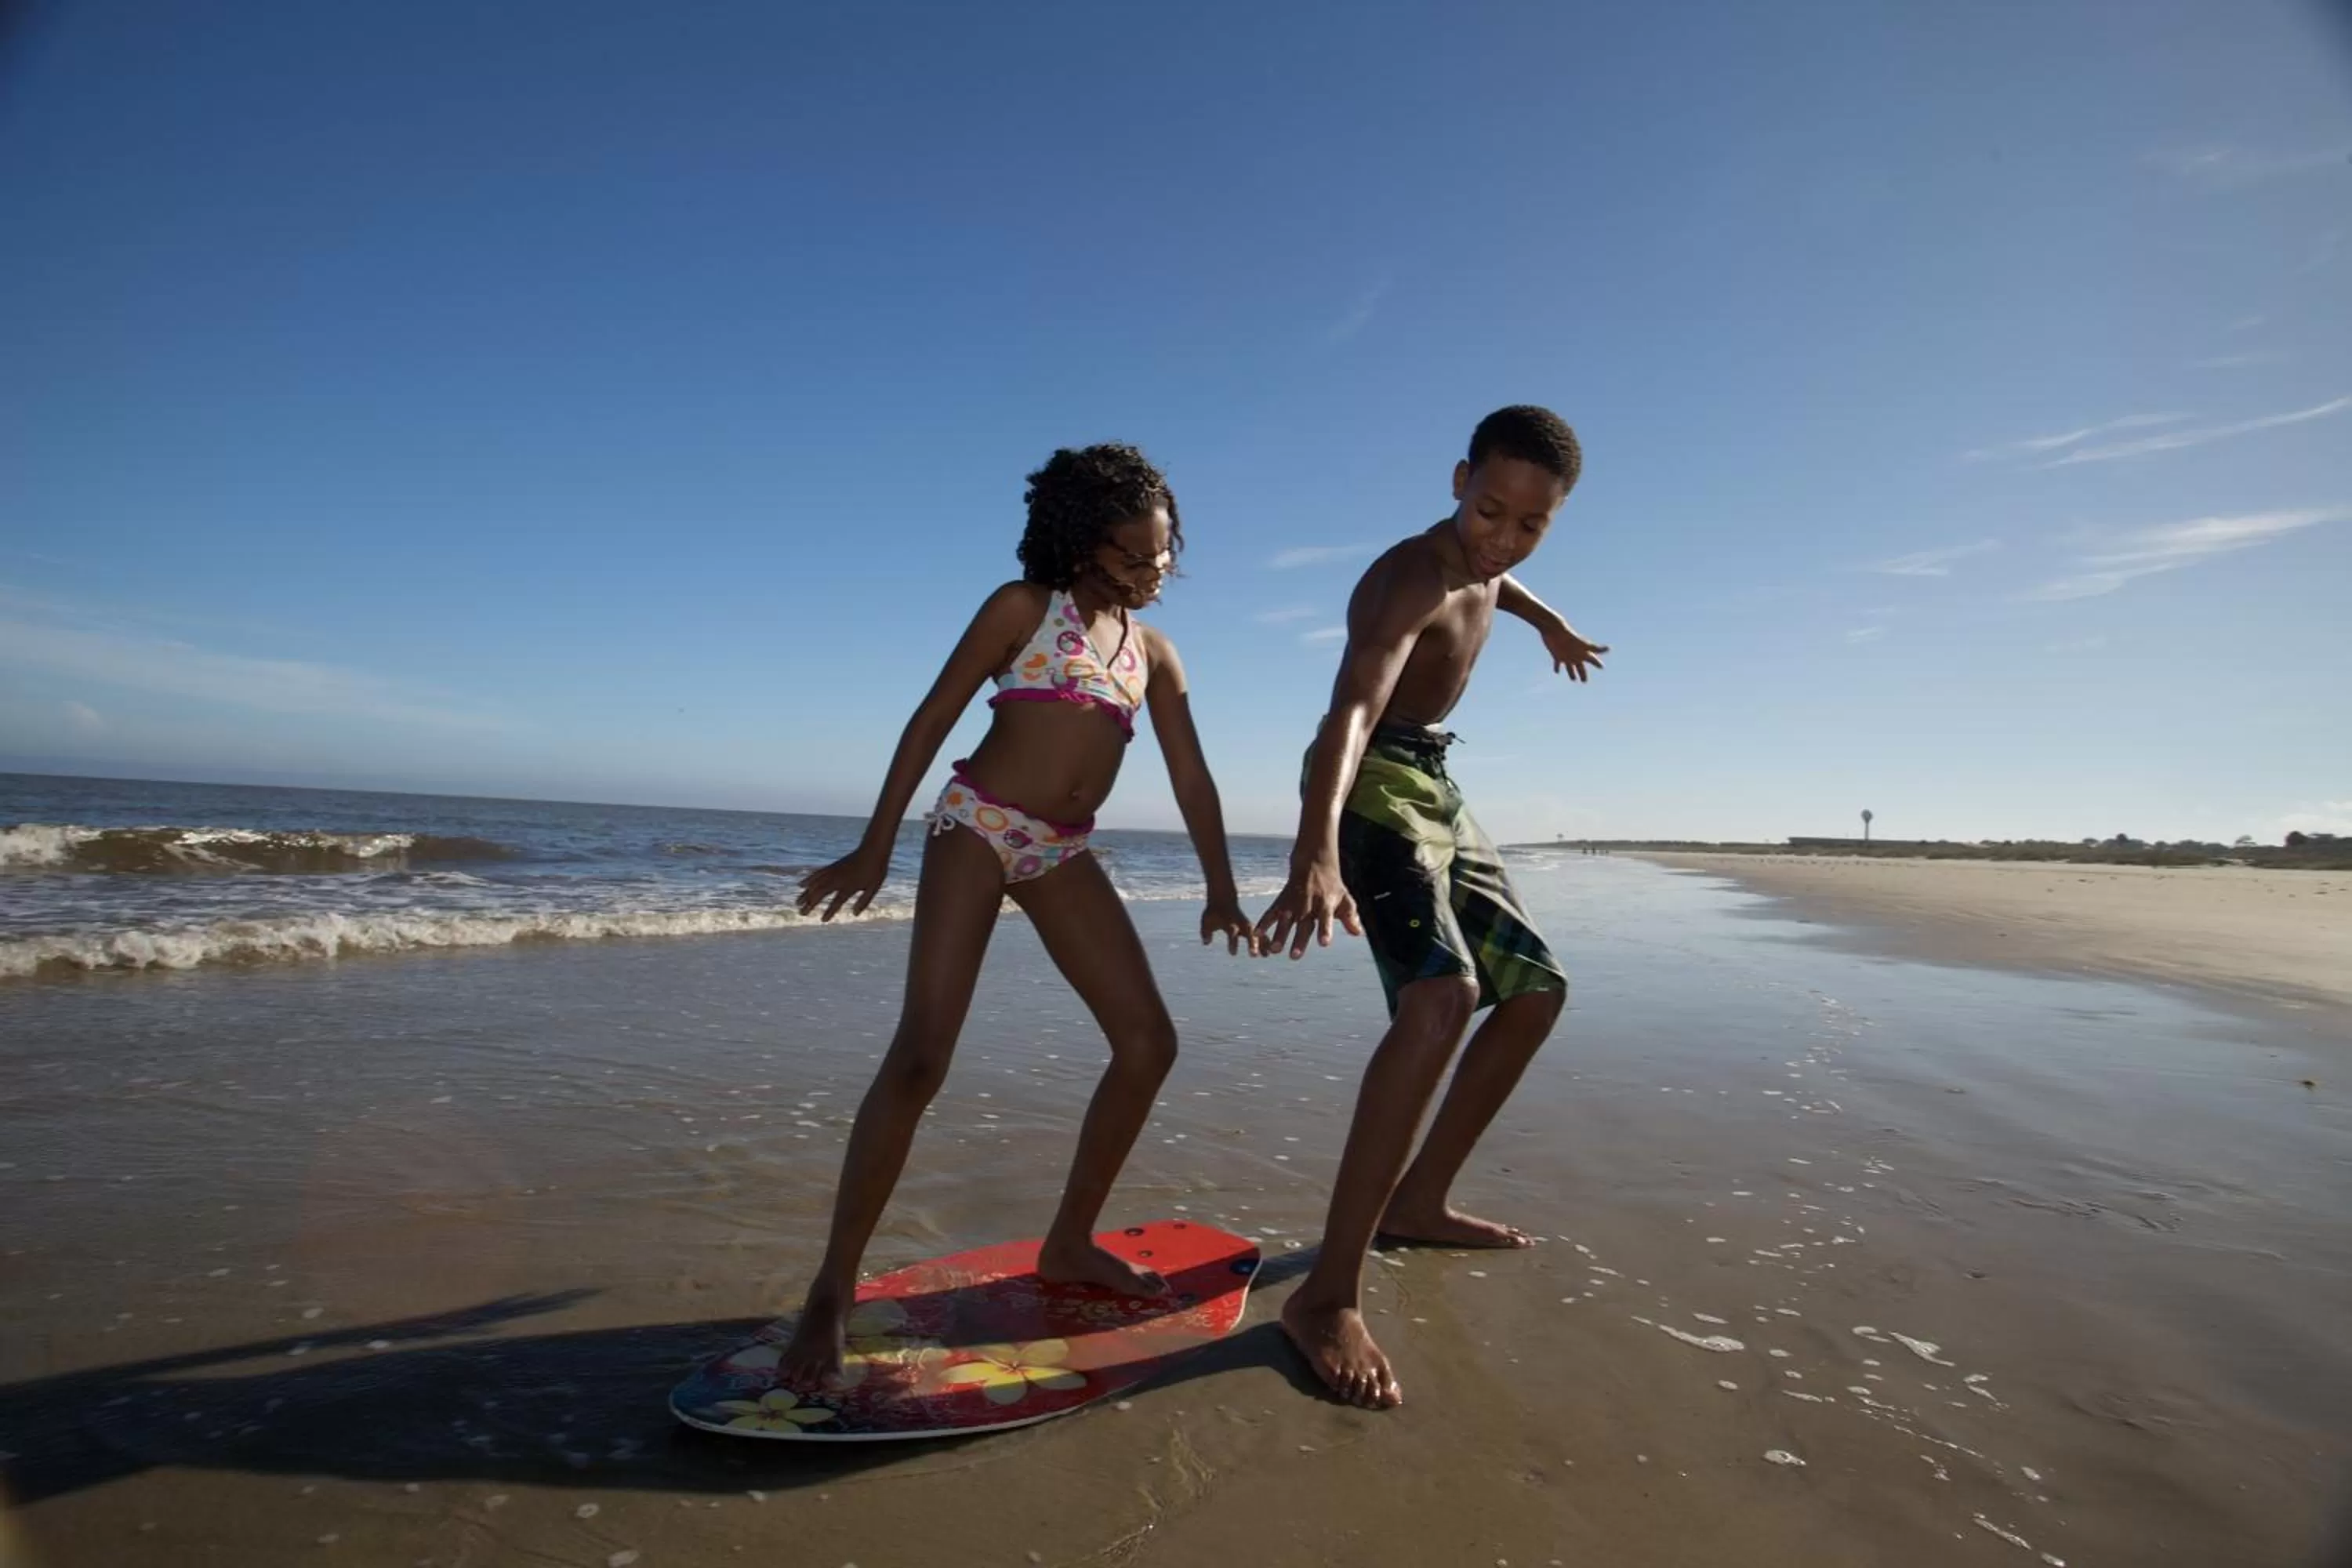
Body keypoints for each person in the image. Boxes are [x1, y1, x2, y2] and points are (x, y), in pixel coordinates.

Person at [782, 442, 1258, 1385]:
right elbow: (931, 718)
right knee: (923, 1052)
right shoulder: (1022, 610)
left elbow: (1191, 774)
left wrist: (1220, 885)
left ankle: (1070, 1240)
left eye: (1165, 555)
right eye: (1133, 555)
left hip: (1060, 849)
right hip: (978, 827)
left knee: (1148, 1041)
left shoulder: (1155, 654)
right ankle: (831, 1288)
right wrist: (876, 844)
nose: (1153, 572)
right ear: (1082, 544)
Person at [1254, 405, 1608, 1409]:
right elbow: (1352, 709)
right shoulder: (1412, 573)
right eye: (1490, 510)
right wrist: (1314, 849)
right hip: (1369, 783)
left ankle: (1419, 1198)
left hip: (1437, 787)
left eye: (1531, 524)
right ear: (1458, 480)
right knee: (1441, 998)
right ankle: (1324, 1296)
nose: (1503, 537)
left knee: (1535, 991)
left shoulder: (1490, 561)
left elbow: (1502, 577)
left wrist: (1553, 624)